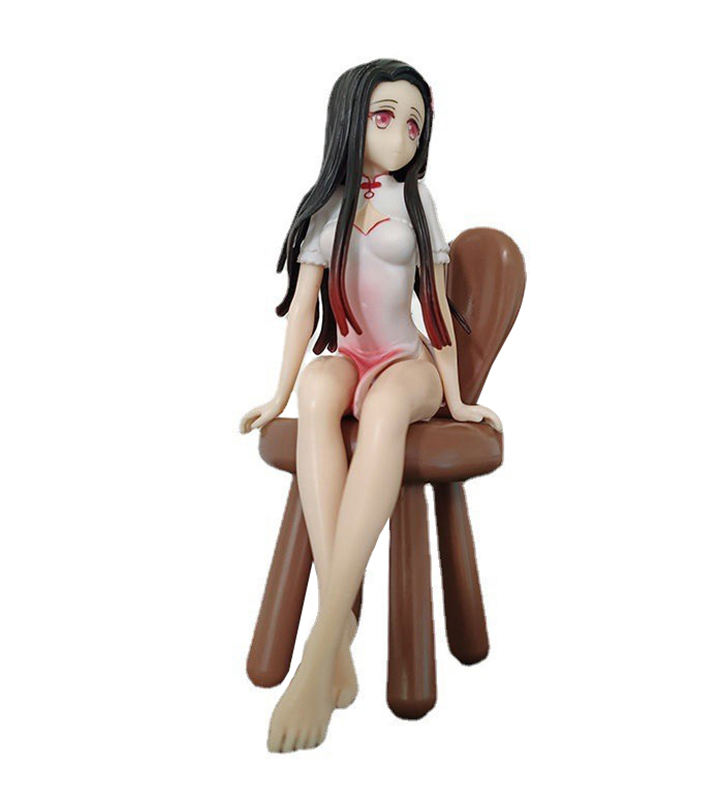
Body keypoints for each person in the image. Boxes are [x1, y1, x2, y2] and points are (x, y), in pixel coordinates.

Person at [240, 59, 501, 752]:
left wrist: (457, 399)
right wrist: (278, 391)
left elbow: (435, 305)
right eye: (386, 116)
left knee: (384, 409)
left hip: (406, 363)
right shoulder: (327, 204)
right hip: (350, 356)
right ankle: (340, 628)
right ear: (351, 116)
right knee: (316, 390)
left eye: (415, 124)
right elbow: (304, 309)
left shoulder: (417, 201)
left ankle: (323, 639)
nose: (402, 134)